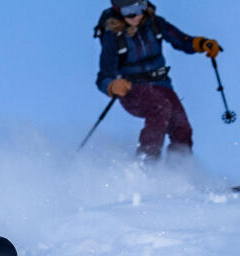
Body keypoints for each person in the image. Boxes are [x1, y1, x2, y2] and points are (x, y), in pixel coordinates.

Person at [93, 1, 223, 160]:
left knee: (181, 127)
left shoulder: (154, 23)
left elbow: (181, 40)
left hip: (162, 85)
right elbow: (103, 76)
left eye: (139, 8)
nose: (136, 16)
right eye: (129, 12)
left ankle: (180, 172)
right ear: (119, 11)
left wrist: (202, 44)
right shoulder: (113, 35)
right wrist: (112, 86)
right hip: (133, 90)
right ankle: (147, 165)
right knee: (160, 107)